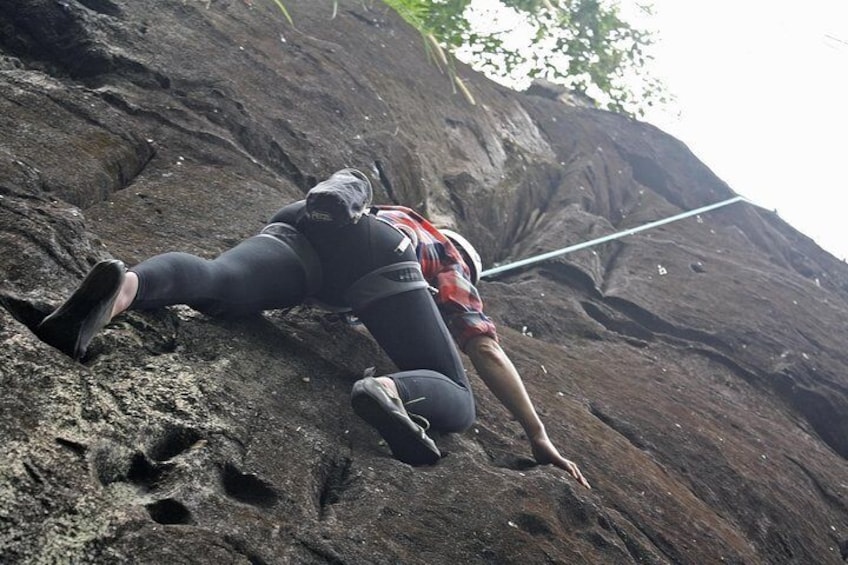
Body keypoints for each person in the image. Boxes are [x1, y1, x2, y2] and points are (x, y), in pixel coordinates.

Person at [36, 168, 590, 488]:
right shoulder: (446, 255)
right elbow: (484, 346)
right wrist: (537, 435)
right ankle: (391, 391)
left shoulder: (398, 213)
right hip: (377, 256)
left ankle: (120, 293)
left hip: (301, 225)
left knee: (217, 282)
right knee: (460, 403)